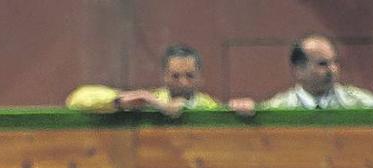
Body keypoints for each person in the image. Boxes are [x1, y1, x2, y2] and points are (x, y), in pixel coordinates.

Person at [67, 43, 251, 117]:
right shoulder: (149, 101)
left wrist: (245, 109)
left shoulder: (210, 107)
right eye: (175, 76)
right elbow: (76, 99)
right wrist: (119, 100)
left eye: (189, 76)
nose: (183, 82)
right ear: (164, 76)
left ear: (200, 78)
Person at [262, 35, 373, 109]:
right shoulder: (279, 107)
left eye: (335, 62)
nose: (332, 70)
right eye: (322, 64)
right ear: (299, 70)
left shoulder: (359, 103)